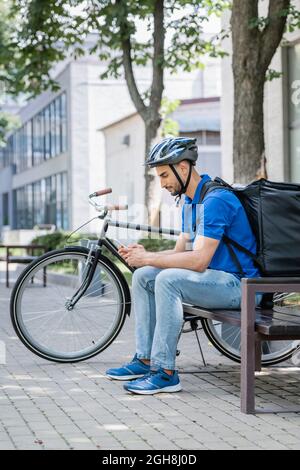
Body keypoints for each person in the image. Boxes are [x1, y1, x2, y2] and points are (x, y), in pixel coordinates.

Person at [106, 136, 262, 395]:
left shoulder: (216, 201)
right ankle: (145, 360)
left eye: (165, 175)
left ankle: (165, 372)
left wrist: (149, 258)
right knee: (145, 275)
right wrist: (147, 255)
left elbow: (198, 261)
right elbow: (181, 253)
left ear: (183, 168)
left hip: (240, 286)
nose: (163, 183)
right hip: (217, 280)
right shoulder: (191, 202)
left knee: (168, 280)